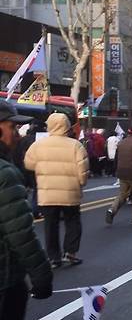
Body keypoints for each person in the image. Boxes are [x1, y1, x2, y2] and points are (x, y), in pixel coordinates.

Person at [0, 101, 53, 320]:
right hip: (4, 283)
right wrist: (42, 275)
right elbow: (20, 234)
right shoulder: (5, 174)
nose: (17, 133)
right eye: (11, 127)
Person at [24, 113, 89, 267]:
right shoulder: (75, 145)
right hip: (70, 191)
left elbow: (28, 164)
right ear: (67, 126)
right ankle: (71, 252)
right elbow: (83, 169)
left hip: (47, 192)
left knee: (50, 225)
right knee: (72, 221)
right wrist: (81, 182)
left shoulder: (38, 145)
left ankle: (54, 257)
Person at [106, 128, 132, 225]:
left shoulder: (121, 143)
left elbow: (116, 158)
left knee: (122, 194)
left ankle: (112, 210)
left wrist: (116, 170)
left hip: (122, 172)